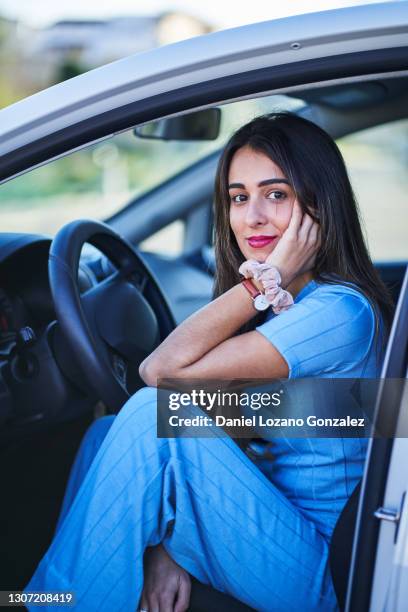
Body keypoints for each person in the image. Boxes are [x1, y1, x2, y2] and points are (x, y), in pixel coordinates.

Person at [25, 113, 393, 611]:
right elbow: (235, 424)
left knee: (146, 419)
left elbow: (162, 374)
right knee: (104, 433)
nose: (253, 217)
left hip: (323, 571)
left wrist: (263, 280)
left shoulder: (337, 311)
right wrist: (165, 546)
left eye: (277, 194)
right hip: (273, 522)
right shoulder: (294, 303)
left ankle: (48, 605)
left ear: (319, 206)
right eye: (239, 197)